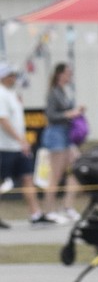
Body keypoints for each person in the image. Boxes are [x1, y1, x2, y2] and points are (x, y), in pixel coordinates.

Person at [41, 62, 84, 223]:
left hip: (66, 134)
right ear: (60, 74)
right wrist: (69, 114)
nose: (69, 76)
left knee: (76, 168)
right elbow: (51, 115)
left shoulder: (63, 92)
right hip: (56, 134)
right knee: (56, 174)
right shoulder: (53, 92)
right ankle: (48, 210)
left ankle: (67, 205)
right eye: (67, 73)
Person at [0, 63, 42, 225]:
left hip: (19, 146)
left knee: (27, 178)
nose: (14, 78)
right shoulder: (1, 94)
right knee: (5, 183)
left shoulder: (11, 94)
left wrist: (22, 142)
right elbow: (3, 120)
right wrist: (20, 140)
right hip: (5, 147)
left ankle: (35, 214)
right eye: (11, 75)